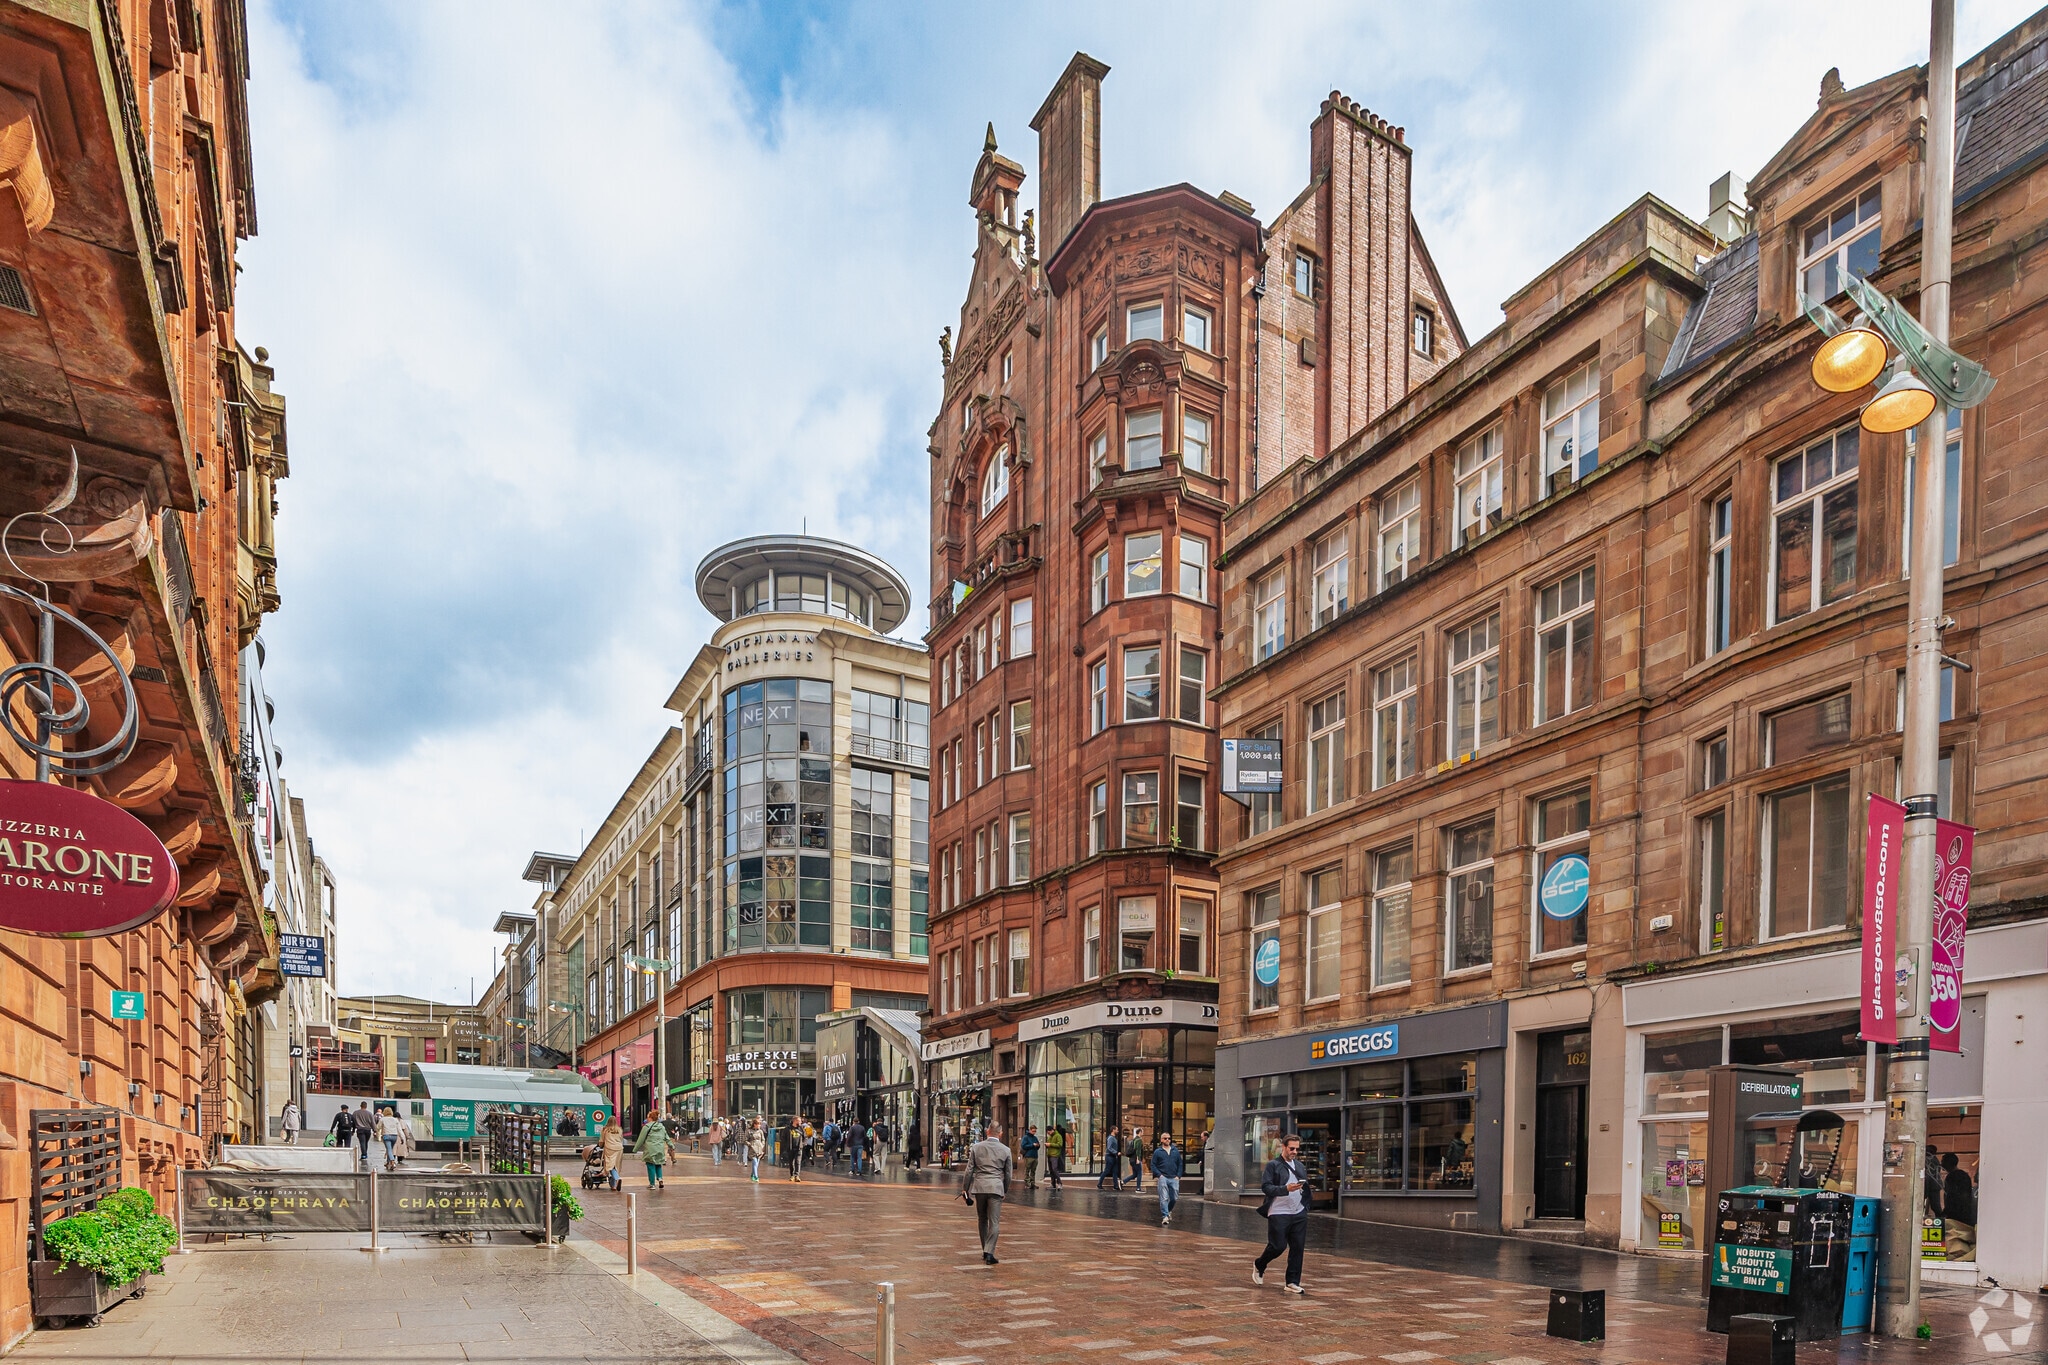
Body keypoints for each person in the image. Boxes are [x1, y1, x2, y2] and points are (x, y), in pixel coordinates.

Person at [1253, 1133, 1311, 1295]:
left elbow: (1304, 1186)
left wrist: (1305, 1204)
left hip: (1298, 1212)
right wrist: (1285, 1189)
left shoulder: (1299, 1166)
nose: (1294, 1151)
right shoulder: (1273, 1165)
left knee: (1298, 1247)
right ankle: (1260, 1264)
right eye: (1291, 1148)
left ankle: (1292, 1282)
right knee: (1278, 1246)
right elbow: (1266, 1187)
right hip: (1279, 1212)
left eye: (1297, 1149)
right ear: (1283, 1147)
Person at [959, 1121, 1013, 1265]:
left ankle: (985, 1250)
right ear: (1000, 1134)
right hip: (996, 1187)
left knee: (982, 1219)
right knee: (994, 1221)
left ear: (988, 1131)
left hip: (980, 1188)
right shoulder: (1006, 1150)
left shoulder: (977, 1148)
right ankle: (990, 1252)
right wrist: (1004, 1189)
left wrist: (965, 1189)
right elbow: (1008, 1174)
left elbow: (969, 1170)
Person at [1942, 1153, 1978, 1260]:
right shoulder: (1964, 1175)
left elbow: (1952, 1197)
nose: (1941, 1164)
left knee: (1955, 1238)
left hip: (1956, 1216)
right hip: (1965, 1214)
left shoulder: (1952, 1177)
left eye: (1943, 1162)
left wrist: (1946, 1212)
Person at [1152, 1130, 1184, 1225]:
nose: (1167, 1140)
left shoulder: (1175, 1151)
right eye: (1165, 1138)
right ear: (1161, 1140)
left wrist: (1178, 1176)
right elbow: (1153, 1165)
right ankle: (1165, 1216)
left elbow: (1180, 1164)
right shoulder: (1158, 1152)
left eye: (1169, 1138)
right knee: (1164, 1198)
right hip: (1163, 1177)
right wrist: (1159, 1175)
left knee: (1174, 1197)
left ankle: (1168, 1210)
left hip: (1174, 1177)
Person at [634, 1109, 671, 1189]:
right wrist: (671, 1145)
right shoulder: (662, 1127)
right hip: (660, 1148)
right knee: (658, 1164)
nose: (647, 1119)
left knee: (650, 1165)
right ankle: (660, 1178)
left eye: (648, 1117)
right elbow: (666, 1137)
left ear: (651, 1118)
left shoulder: (646, 1127)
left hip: (650, 1149)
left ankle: (652, 1184)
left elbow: (641, 1139)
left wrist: (635, 1149)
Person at [600, 1117, 626, 1191]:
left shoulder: (605, 1129)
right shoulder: (619, 1129)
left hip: (609, 1149)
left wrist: (600, 1145)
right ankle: (613, 1186)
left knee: (610, 1166)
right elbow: (621, 1139)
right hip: (619, 1149)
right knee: (616, 1166)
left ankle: (617, 1179)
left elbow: (601, 1141)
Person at [354, 1101, 375, 1168]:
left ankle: (364, 1154)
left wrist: (353, 1129)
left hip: (360, 1129)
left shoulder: (356, 1113)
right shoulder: (369, 1113)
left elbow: (353, 1121)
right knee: (366, 1142)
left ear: (360, 1105)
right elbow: (372, 1122)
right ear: (366, 1106)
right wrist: (375, 1130)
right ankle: (365, 1153)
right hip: (368, 1130)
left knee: (362, 1142)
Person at [1045, 1125, 1066, 1192]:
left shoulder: (1058, 1136)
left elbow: (1060, 1145)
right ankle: (1053, 1184)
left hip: (1055, 1155)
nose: (1048, 1133)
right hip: (1050, 1154)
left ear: (1052, 1130)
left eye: (1049, 1132)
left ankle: (1059, 1183)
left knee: (1054, 1169)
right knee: (1051, 1170)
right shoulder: (1050, 1136)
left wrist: (1050, 1144)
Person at [745, 1117, 767, 1182]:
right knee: (754, 1162)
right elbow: (745, 1140)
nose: (759, 1125)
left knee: (757, 1163)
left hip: (759, 1149)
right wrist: (750, 1144)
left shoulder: (760, 1131)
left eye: (760, 1124)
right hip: (752, 1149)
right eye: (758, 1124)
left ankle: (752, 1174)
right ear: (754, 1124)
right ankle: (756, 1176)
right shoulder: (749, 1131)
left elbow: (763, 1139)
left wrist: (762, 1145)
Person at [1020, 1124, 1041, 1190]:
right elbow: (1023, 1146)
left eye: (1035, 1131)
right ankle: (1027, 1182)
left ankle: (1032, 1183)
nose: (1034, 1132)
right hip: (1028, 1156)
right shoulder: (1026, 1137)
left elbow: (1038, 1146)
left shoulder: (1035, 1138)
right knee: (1027, 1170)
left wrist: (1038, 1145)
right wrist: (1032, 1145)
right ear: (1030, 1130)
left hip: (1035, 1156)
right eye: (1033, 1131)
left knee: (1033, 1171)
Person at [1125, 1128, 1146, 1193]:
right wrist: (1138, 1159)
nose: (1143, 1133)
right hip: (1135, 1159)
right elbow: (1138, 1150)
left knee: (1134, 1174)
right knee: (1139, 1173)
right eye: (1142, 1132)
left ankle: (1123, 1181)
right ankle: (1138, 1188)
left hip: (1131, 1159)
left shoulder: (1134, 1139)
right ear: (1140, 1132)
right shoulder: (1138, 1140)